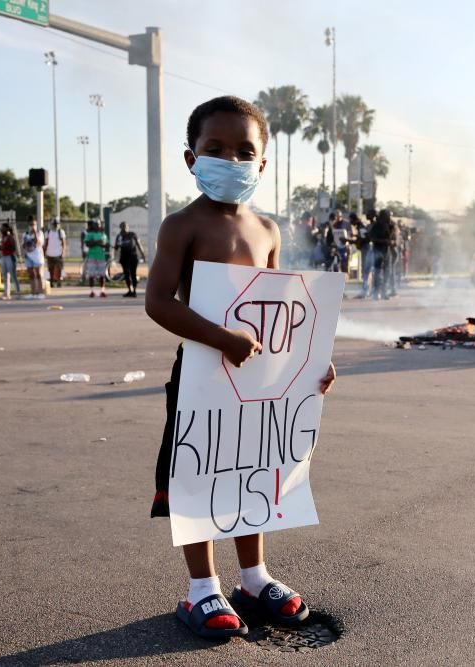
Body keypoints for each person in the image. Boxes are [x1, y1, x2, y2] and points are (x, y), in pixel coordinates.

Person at [144, 95, 336, 640]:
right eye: (215, 149)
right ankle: (201, 588)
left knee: (253, 470)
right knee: (198, 475)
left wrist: (314, 365)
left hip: (258, 377)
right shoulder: (181, 226)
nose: (230, 160)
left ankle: (254, 577)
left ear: (262, 162)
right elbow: (160, 302)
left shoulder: (267, 231)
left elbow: (283, 308)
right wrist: (221, 338)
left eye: (243, 150)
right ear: (191, 158)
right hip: (201, 376)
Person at [114, 222, 147, 297]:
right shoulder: (119, 236)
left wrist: (143, 254)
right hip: (124, 258)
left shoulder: (133, 234)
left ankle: (134, 291)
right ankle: (129, 290)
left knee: (133, 273)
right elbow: (116, 247)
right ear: (120, 228)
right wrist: (115, 256)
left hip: (133, 257)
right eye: (123, 227)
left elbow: (139, 245)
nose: (124, 228)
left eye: (126, 226)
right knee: (126, 274)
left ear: (128, 227)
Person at [368, 208, 394, 299]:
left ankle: (384, 292)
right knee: (378, 273)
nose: (390, 217)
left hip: (387, 251)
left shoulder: (389, 225)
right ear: (384, 216)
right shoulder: (377, 226)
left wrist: (392, 241)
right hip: (378, 250)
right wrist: (384, 241)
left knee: (387, 272)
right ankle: (376, 293)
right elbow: (371, 238)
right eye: (388, 215)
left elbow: (392, 238)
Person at [21, 216, 46, 299]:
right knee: (31, 275)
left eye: (34, 224)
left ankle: (40, 292)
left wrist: (35, 233)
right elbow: (23, 245)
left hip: (37, 256)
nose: (32, 226)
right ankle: (33, 292)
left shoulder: (39, 233)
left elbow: (39, 243)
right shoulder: (25, 234)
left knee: (38, 274)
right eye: (31, 224)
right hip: (28, 257)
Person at [82, 219, 109, 297]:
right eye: (95, 224)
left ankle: (102, 291)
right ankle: (92, 291)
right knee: (91, 275)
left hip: (101, 256)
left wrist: (96, 243)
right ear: (93, 225)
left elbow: (106, 244)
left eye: (98, 224)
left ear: (100, 225)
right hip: (92, 256)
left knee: (102, 275)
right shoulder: (89, 234)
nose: (97, 225)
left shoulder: (103, 235)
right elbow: (88, 243)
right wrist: (98, 242)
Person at [0, 223, 21, 300]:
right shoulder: (3, 237)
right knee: (5, 275)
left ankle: (18, 291)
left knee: (13, 275)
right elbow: (2, 247)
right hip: (4, 256)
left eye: (3, 228)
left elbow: (13, 247)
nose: (1, 230)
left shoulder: (10, 237)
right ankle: (6, 293)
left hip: (10, 257)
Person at [44, 219, 66, 288]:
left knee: (59, 268)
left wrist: (63, 251)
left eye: (57, 224)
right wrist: (45, 252)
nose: (56, 226)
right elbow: (46, 243)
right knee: (50, 268)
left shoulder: (61, 232)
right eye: (54, 224)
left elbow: (63, 243)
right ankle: (51, 282)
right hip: (50, 253)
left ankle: (59, 281)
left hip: (58, 253)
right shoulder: (48, 232)